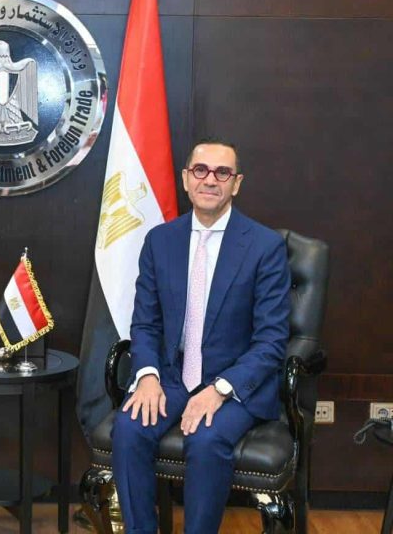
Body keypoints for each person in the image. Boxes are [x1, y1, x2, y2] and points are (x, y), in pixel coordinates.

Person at [111, 140, 291, 534]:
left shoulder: (265, 247)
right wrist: (147, 376)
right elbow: (145, 324)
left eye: (222, 173)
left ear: (236, 183)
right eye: (201, 170)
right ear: (186, 179)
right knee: (128, 429)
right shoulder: (160, 241)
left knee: (206, 441)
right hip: (173, 376)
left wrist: (220, 389)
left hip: (234, 383)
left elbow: (271, 341)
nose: (210, 180)